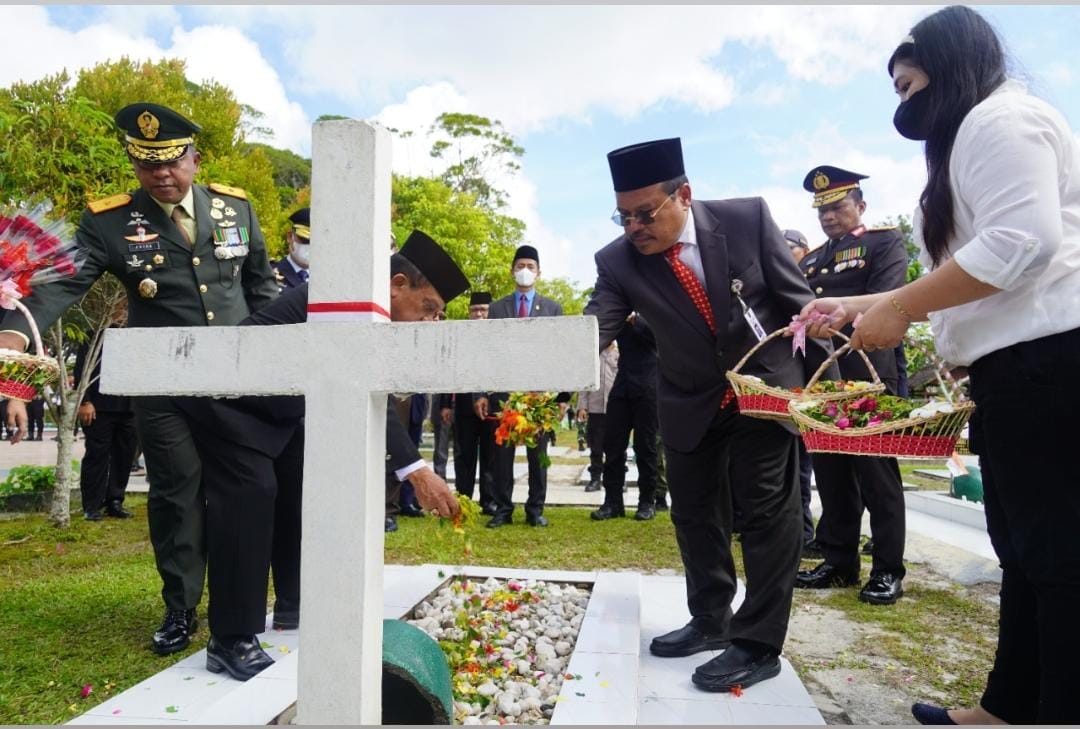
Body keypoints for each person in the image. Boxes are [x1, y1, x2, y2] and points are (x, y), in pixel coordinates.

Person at [797, 7, 1080, 724]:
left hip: (1052, 361)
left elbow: (1024, 242)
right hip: (1017, 370)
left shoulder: (998, 122)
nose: (904, 101)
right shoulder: (972, 138)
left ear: (950, 65)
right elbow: (960, 274)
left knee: (1058, 557)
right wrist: (857, 306)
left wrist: (896, 312)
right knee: (1023, 550)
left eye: (909, 83)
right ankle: (1008, 705)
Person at [0, 102, 279, 656]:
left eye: (173, 162)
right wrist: (12, 338)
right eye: (148, 165)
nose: (162, 175)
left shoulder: (236, 209)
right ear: (135, 164)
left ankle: (239, 606)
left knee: (240, 492)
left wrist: (281, 365)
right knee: (176, 493)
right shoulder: (109, 221)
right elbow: (63, 284)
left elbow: (262, 290)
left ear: (195, 159)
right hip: (164, 387)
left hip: (235, 381)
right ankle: (180, 608)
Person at [584, 137, 833, 692]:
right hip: (687, 396)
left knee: (768, 513)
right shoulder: (617, 261)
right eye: (622, 216)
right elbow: (592, 330)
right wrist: (539, 363)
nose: (633, 228)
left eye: (644, 213)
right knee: (694, 514)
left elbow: (798, 303)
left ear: (684, 196)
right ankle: (711, 619)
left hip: (763, 388)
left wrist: (831, 395)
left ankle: (758, 642)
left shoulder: (746, 219)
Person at [173, 230, 467, 679]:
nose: (428, 322)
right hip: (229, 402)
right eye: (428, 309)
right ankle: (231, 640)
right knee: (251, 497)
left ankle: (292, 604)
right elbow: (376, 400)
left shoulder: (373, 312)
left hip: (280, 410)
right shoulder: (347, 305)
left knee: (298, 494)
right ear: (398, 284)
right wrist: (417, 472)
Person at [794, 167, 909, 604]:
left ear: (860, 205)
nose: (828, 216)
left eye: (837, 206)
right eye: (822, 209)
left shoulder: (884, 242)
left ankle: (887, 568)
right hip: (823, 380)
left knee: (877, 475)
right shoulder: (813, 259)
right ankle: (839, 560)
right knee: (832, 472)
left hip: (868, 375)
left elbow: (888, 298)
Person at [474, 245, 569, 528]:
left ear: (539, 272)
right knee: (502, 457)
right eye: (519, 266)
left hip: (539, 396)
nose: (524, 271)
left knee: (538, 456)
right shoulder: (497, 308)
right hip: (505, 396)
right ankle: (503, 509)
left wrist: (562, 397)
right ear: (511, 271)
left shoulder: (553, 309)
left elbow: (560, 354)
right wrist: (481, 393)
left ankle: (535, 509)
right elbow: (486, 353)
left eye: (530, 266)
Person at [590, 312, 662, 521]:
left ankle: (647, 502)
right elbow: (602, 335)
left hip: (648, 386)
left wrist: (637, 320)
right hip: (622, 386)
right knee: (612, 445)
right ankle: (612, 502)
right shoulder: (618, 308)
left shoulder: (652, 305)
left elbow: (660, 337)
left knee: (646, 447)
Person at [75, 300, 138, 521]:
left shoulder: (137, 336)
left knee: (124, 457)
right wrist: (84, 401)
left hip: (130, 408)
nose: (124, 313)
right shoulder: (94, 335)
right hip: (99, 407)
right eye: (121, 308)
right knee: (96, 457)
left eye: (127, 308)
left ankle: (115, 501)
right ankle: (91, 505)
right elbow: (82, 369)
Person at [783, 229, 820, 555]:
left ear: (804, 250)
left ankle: (806, 534)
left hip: (817, 388)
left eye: (789, 247)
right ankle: (798, 532)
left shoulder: (811, 285)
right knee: (790, 467)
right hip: (789, 389)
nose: (783, 252)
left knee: (806, 468)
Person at [446, 292, 497, 515]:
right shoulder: (459, 339)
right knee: (463, 456)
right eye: (474, 310)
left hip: (492, 408)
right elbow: (451, 372)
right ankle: (464, 500)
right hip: (465, 408)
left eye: (483, 310)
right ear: (469, 313)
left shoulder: (498, 338)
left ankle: (489, 501)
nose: (479, 314)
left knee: (490, 457)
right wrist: (445, 404)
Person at [578, 341, 619, 492]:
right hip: (595, 408)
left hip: (615, 408)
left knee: (616, 447)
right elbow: (584, 384)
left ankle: (617, 479)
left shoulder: (619, 354)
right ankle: (595, 479)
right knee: (596, 447)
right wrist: (582, 406)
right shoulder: (593, 355)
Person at [270, 208, 311, 290]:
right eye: (305, 240)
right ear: (289, 237)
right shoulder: (268, 274)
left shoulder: (327, 279)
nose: (310, 246)